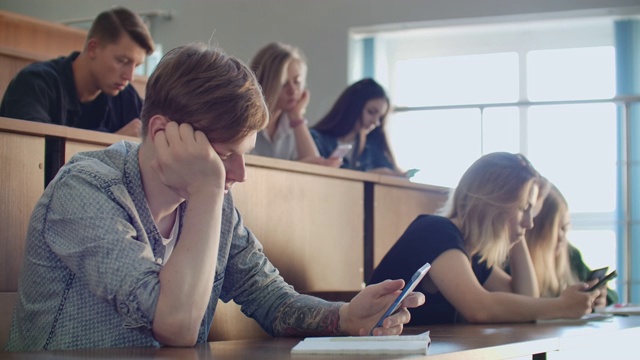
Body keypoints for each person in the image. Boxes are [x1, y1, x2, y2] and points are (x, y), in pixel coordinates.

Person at [4, 42, 424, 351]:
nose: (238, 175)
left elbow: (271, 298)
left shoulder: (213, 201)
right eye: (225, 157)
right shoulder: (85, 190)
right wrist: (206, 189)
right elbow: (175, 326)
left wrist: (346, 316)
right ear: (165, 135)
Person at [369, 152, 598, 325]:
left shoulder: (470, 251)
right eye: (523, 209)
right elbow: (479, 308)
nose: (529, 223)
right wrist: (561, 306)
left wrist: (517, 235)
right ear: (493, 203)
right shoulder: (436, 232)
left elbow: (526, 298)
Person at [0, 7, 154, 137]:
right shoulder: (34, 84)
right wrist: (114, 145)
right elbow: (35, 157)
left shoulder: (126, 96)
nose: (130, 76)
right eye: (122, 61)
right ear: (93, 48)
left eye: (137, 66)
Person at [523, 184, 618, 306]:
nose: (562, 237)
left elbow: (612, 294)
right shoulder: (513, 264)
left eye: (565, 228)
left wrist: (603, 297)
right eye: (558, 229)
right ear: (536, 230)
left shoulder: (570, 255)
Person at [249, 42, 339, 166]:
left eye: (297, 81)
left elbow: (315, 167)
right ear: (265, 82)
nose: (293, 90)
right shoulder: (246, 122)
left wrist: (296, 117)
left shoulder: (291, 124)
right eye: (284, 83)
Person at [310, 78, 406, 176]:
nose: (376, 122)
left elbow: (394, 175)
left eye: (380, 117)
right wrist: (368, 176)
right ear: (353, 106)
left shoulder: (373, 145)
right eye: (371, 112)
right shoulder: (316, 139)